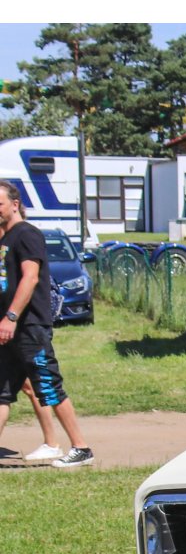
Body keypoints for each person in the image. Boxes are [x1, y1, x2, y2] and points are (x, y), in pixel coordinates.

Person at [0, 182, 93, 467]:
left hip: (29, 327)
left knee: (49, 387)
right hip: (9, 332)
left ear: (15, 204)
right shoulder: (7, 238)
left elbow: (30, 278)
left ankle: (81, 448)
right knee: (1, 392)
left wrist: (11, 317)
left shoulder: (27, 235)